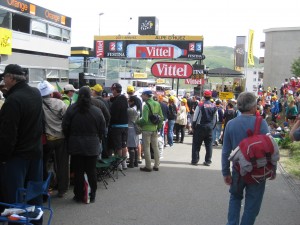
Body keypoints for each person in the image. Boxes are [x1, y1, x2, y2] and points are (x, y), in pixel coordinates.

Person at [0, 64, 43, 224]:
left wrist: (3, 157)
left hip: (17, 157)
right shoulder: (35, 93)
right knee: (34, 195)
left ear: (11, 78)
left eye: (4, 77)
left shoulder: (14, 100)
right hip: (36, 152)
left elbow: (8, 134)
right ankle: (36, 221)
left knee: (14, 199)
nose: (3, 81)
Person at [221, 92, 272, 225]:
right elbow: (270, 149)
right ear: (254, 106)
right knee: (252, 204)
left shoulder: (231, 124)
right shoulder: (262, 123)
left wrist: (226, 172)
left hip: (238, 169)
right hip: (258, 170)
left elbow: (226, 151)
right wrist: (273, 168)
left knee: (235, 198)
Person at [62, 87, 105, 203]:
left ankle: (79, 195)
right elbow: (102, 128)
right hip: (92, 144)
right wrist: (98, 138)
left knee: (78, 171)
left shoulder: (71, 109)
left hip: (75, 144)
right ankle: (92, 195)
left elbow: (65, 126)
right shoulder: (97, 111)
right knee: (91, 170)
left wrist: (70, 138)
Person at [37, 80, 69, 198]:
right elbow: (66, 121)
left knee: (45, 165)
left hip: (46, 139)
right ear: (51, 93)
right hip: (61, 137)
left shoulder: (38, 104)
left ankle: (46, 188)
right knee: (62, 165)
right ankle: (62, 189)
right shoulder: (60, 103)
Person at [137, 90, 163, 172]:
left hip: (146, 130)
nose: (141, 96)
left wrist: (137, 122)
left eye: (142, 95)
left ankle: (148, 166)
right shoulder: (157, 103)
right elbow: (161, 117)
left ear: (146, 95)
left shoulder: (146, 105)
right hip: (155, 129)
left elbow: (144, 119)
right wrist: (158, 127)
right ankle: (156, 165)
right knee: (155, 147)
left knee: (147, 148)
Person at [191, 90, 217, 166]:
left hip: (200, 127)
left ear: (204, 96)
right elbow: (215, 118)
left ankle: (195, 160)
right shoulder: (214, 106)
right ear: (210, 96)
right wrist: (212, 127)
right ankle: (208, 161)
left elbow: (195, 116)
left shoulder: (200, 105)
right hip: (209, 127)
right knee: (209, 145)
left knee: (196, 144)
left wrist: (193, 126)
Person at [108, 83, 128, 169]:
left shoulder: (116, 102)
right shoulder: (124, 99)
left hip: (117, 126)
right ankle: (124, 163)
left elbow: (113, 116)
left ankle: (118, 164)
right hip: (125, 125)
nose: (111, 92)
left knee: (118, 146)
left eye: (112, 90)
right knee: (124, 145)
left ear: (115, 90)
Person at [127, 96, 140, 168]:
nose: (128, 102)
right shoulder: (138, 109)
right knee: (135, 146)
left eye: (129, 101)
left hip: (130, 128)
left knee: (131, 147)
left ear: (132, 102)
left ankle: (131, 163)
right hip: (136, 129)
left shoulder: (130, 110)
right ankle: (136, 162)